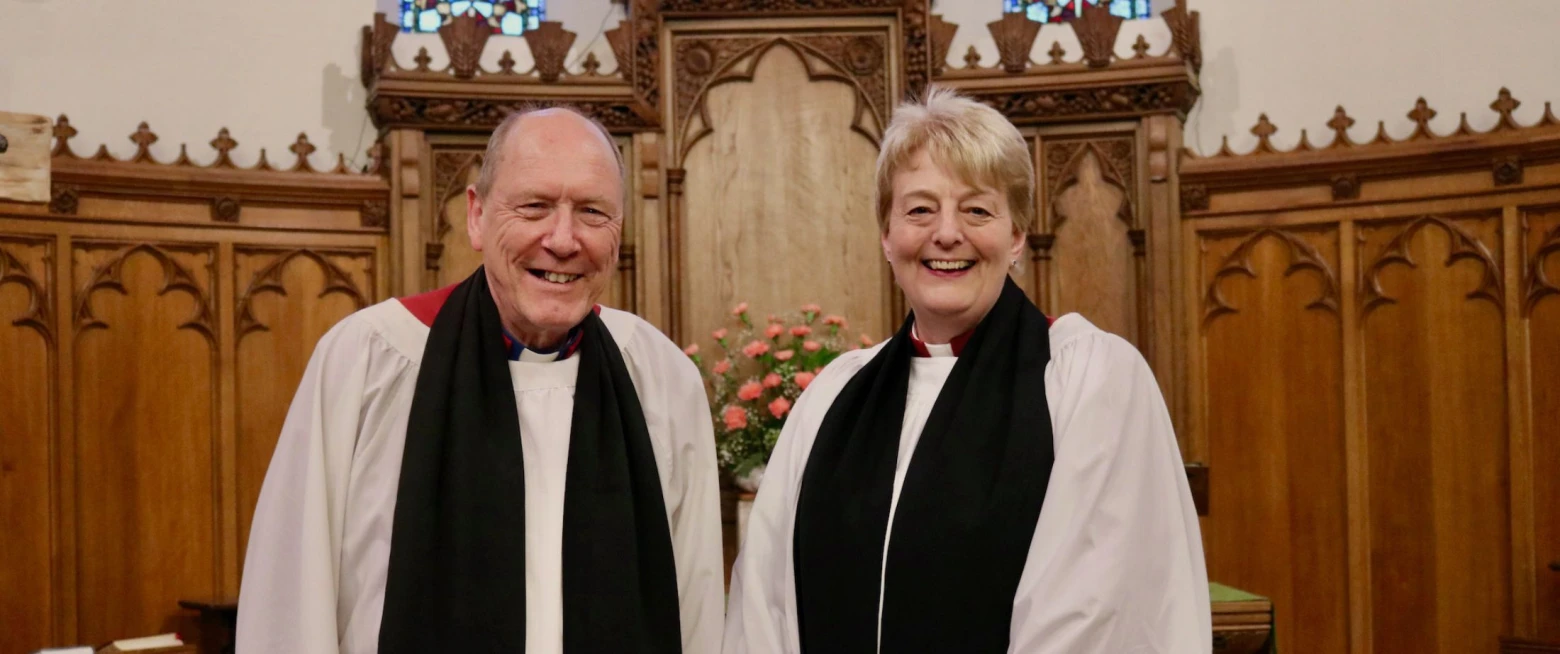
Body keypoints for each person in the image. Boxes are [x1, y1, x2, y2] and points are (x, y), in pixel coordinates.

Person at [721, 88, 1210, 653]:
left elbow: (1093, 613)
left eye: (977, 209)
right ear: (886, 235)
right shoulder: (834, 398)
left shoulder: (1088, 380)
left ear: (1018, 235)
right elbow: (767, 602)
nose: (947, 234)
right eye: (920, 209)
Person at [236, 107, 725, 654]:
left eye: (592, 212)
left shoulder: (661, 379)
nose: (563, 240)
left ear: (619, 231)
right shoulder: (370, 360)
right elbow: (292, 598)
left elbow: (697, 603)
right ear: (476, 215)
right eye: (535, 207)